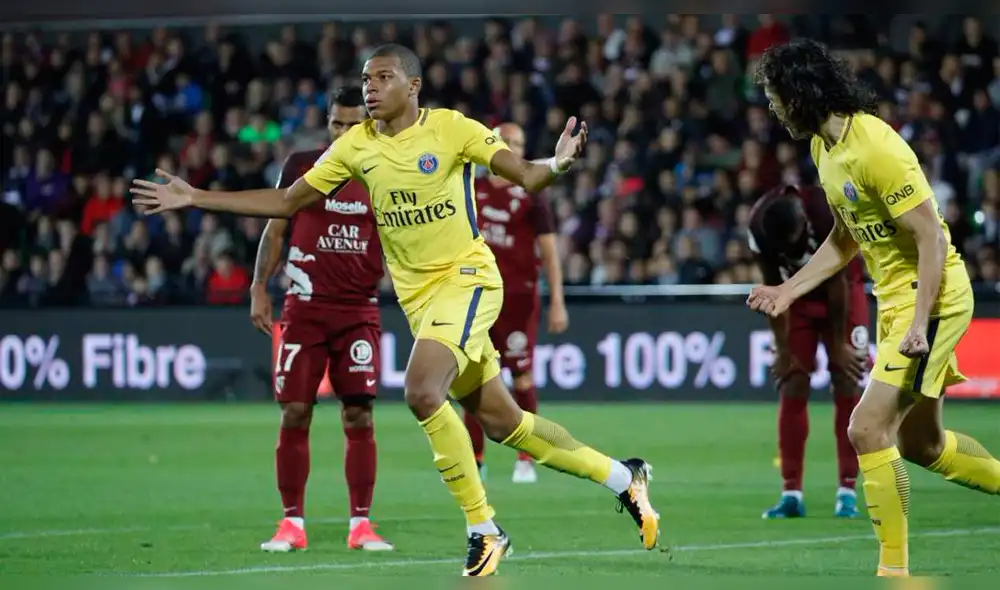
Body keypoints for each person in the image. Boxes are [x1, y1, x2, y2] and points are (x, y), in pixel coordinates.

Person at [132, 43, 660, 577]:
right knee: (506, 424)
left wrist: (559, 163)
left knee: (420, 390)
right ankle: (624, 477)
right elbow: (287, 202)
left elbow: (524, 174)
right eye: (365, 78)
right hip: (421, 302)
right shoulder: (355, 147)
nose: (370, 87)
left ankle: (484, 528)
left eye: (382, 77)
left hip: (469, 280)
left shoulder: (452, 129)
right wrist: (196, 196)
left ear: (413, 86)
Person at [750, 39, 1000, 577]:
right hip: (896, 298)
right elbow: (846, 237)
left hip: (933, 296)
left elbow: (931, 236)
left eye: (775, 97)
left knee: (866, 429)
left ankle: (893, 572)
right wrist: (788, 290)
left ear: (801, 94)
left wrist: (916, 324)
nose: (772, 109)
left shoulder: (876, 148)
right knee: (923, 445)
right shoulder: (824, 148)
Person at [250, 87, 392, 553]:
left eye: (354, 125)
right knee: (294, 411)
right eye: (337, 124)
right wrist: (258, 287)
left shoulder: (384, 170)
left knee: (359, 413)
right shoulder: (301, 166)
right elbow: (275, 227)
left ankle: (361, 525)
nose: (344, 133)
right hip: (305, 310)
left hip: (358, 313)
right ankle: (291, 524)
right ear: (327, 123)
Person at [748, 183, 869, 520]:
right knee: (793, 382)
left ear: (803, 220)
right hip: (796, 296)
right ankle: (791, 493)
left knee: (847, 379)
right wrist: (783, 350)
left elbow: (838, 280)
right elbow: (772, 285)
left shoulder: (822, 207)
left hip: (845, 289)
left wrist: (840, 346)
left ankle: (847, 490)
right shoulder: (758, 228)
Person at [463, 122, 569, 485]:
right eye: (504, 140)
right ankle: (475, 460)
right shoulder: (468, 190)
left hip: (518, 302)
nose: (511, 146)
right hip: (475, 297)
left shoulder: (532, 196)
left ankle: (527, 456)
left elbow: (550, 254)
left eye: (518, 142)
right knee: (473, 377)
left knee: (521, 378)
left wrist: (558, 300)